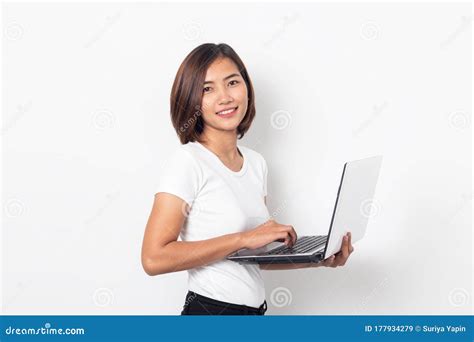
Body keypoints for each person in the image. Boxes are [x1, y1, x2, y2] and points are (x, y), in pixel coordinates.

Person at [141, 43, 354, 315]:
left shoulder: (256, 163)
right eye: (207, 89)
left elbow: (255, 257)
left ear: (247, 88)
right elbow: (153, 258)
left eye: (232, 82)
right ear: (191, 100)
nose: (225, 97)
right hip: (210, 312)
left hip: (253, 314)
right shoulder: (188, 161)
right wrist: (243, 238)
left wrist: (318, 259)